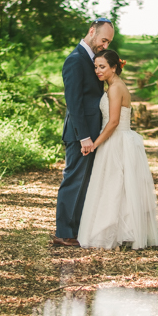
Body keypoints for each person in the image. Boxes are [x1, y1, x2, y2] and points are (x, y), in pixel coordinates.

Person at [77, 49, 158, 250]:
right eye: (96, 67)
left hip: (116, 139)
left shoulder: (115, 88)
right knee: (116, 187)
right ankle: (120, 231)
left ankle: (112, 233)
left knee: (114, 186)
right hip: (117, 138)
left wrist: (94, 144)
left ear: (114, 67)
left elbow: (113, 122)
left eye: (102, 67)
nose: (97, 71)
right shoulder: (114, 85)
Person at [53, 17, 115, 247]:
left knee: (84, 183)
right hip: (81, 135)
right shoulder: (75, 60)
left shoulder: (92, 60)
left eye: (109, 42)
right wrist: (84, 137)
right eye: (104, 40)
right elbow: (74, 103)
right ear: (92, 32)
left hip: (91, 134)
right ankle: (64, 233)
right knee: (74, 181)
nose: (105, 45)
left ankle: (76, 229)